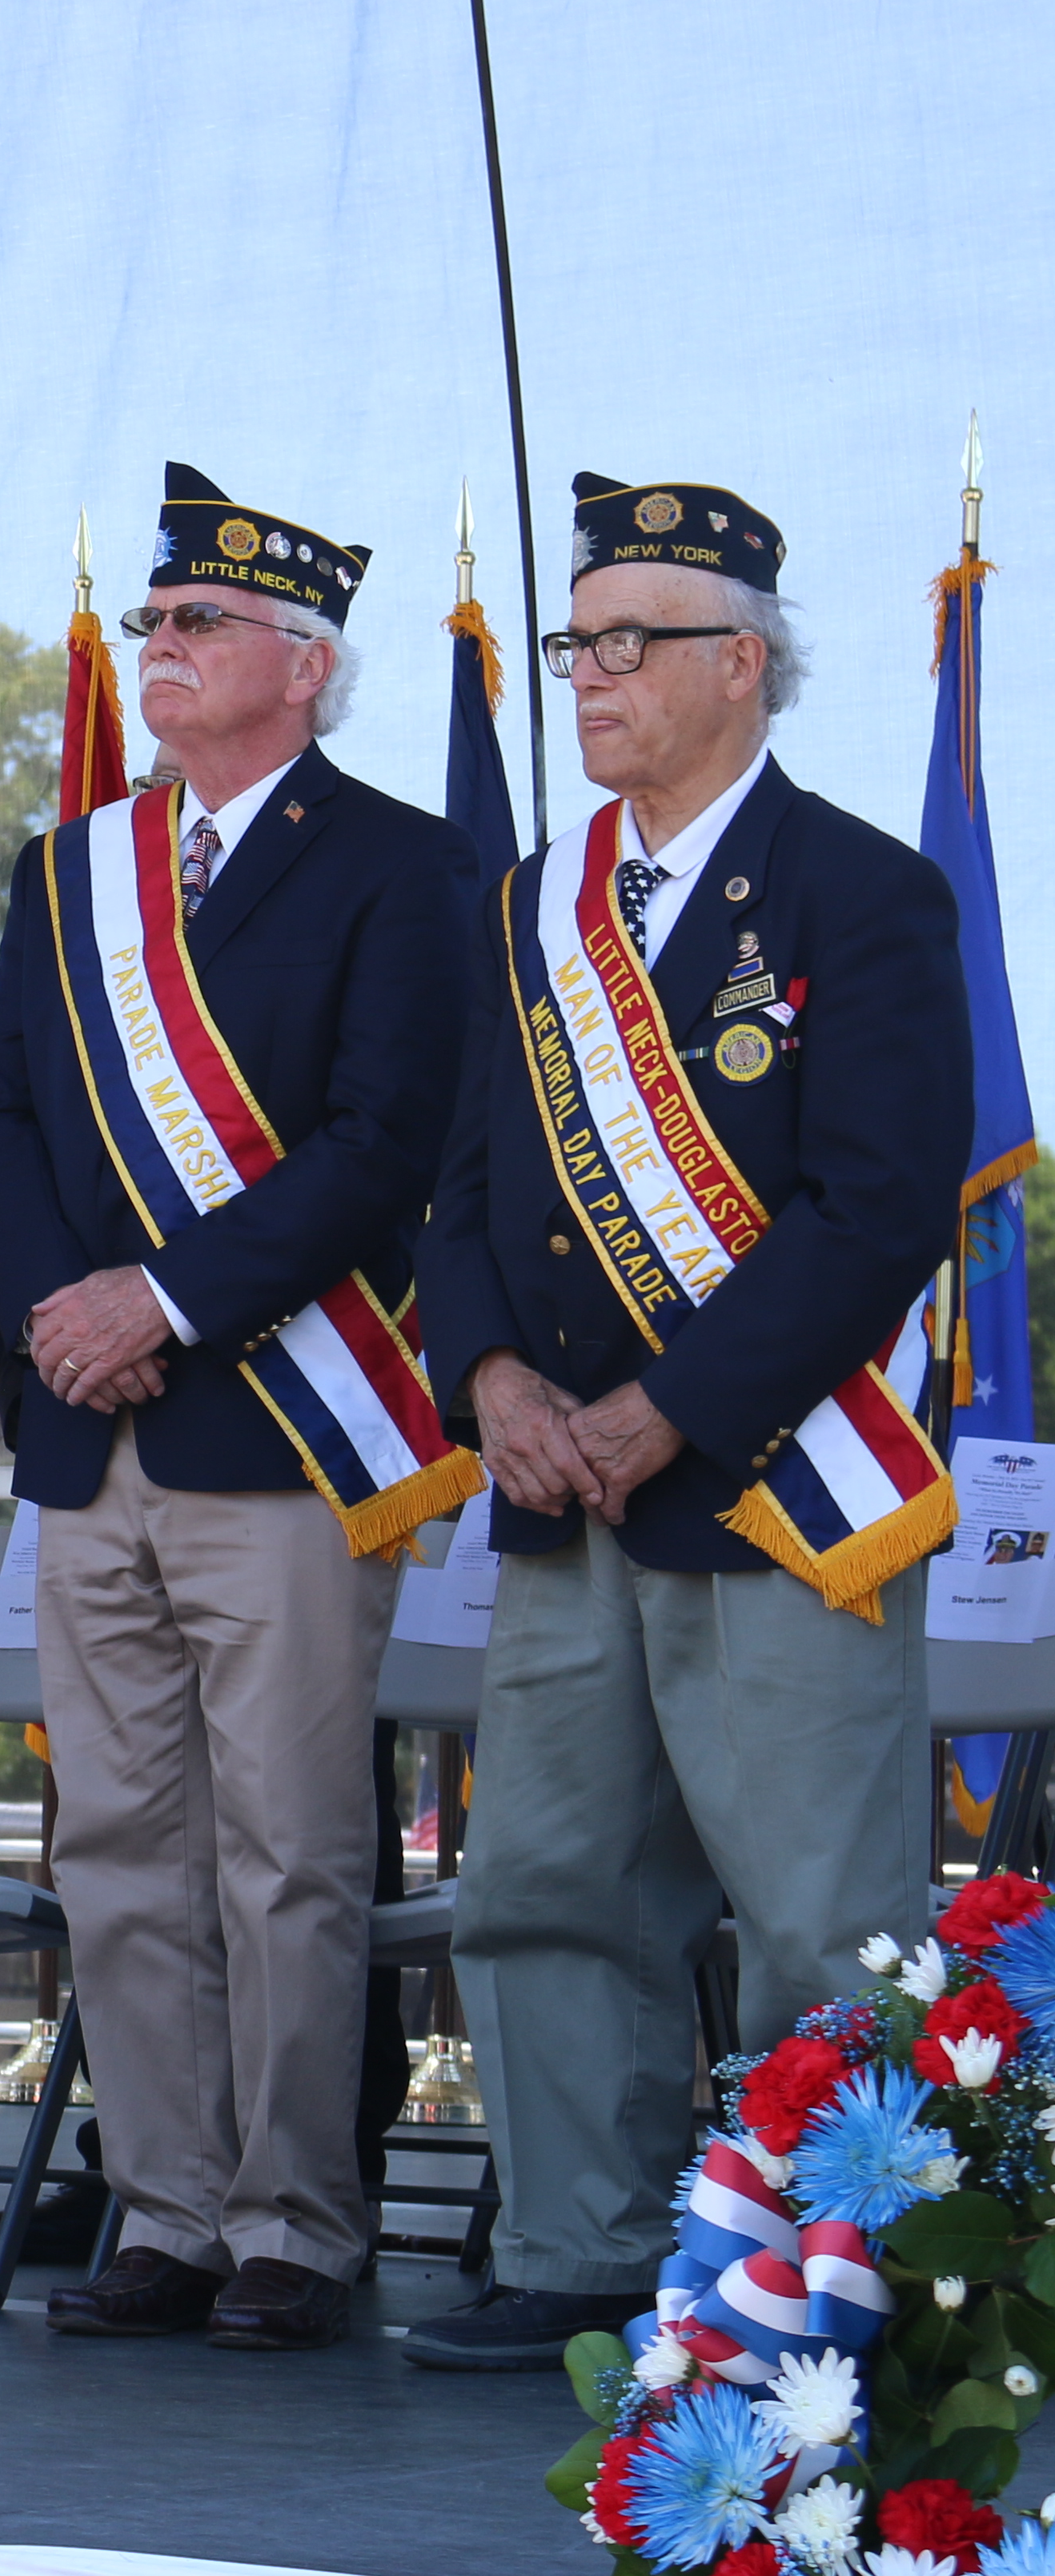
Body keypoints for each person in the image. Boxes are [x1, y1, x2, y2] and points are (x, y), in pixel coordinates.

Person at [402, 475, 969, 2372]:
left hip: (769, 1490)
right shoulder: (524, 909)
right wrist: (485, 1379)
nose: (589, 674)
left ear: (740, 663)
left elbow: (873, 1207)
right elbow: (462, 1184)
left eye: (630, 640)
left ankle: (848, 2291)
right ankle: (574, 2253)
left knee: (820, 1926)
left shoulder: (862, 894)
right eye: (575, 641)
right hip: (557, 1492)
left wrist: (666, 1409)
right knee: (543, 1899)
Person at [0, 466, 479, 2352]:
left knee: (282, 1845)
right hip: (89, 1435)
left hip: (275, 1432)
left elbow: (378, 1144)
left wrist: (158, 1298)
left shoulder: (405, 869)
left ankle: (291, 2225)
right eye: (150, 623)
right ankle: (164, 2208)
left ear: (300, 669)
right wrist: (50, 1318)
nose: (151, 649)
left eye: (193, 626)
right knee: (113, 1843)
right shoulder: (64, 869)